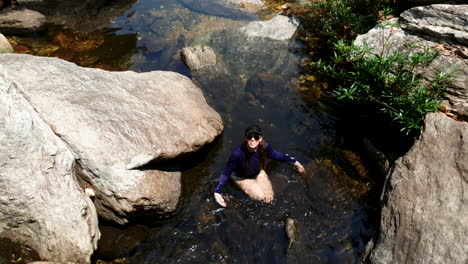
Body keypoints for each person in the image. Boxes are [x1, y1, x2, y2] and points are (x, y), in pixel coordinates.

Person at [214, 125, 305, 207]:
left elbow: (279, 156)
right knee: (261, 197)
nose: (252, 139)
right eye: (249, 136)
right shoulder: (237, 154)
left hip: (258, 172)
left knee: (269, 198)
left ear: (260, 138)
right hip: (241, 177)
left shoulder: (264, 147)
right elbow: (226, 172)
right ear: (245, 138)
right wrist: (217, 192)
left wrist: (296, 163)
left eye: (256, 137)